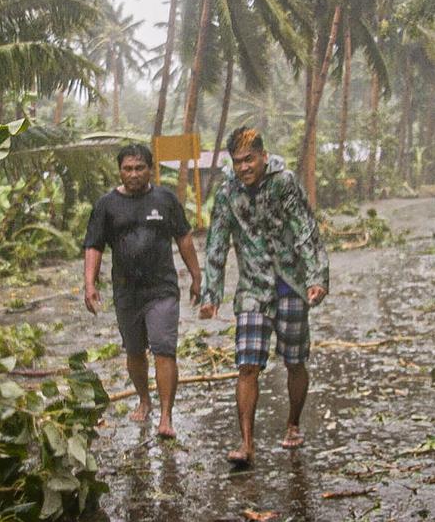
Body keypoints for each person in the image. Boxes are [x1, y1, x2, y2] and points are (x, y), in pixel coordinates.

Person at [199, 127, 329, 466]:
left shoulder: (283, 182)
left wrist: (317, 277)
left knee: (294, 361)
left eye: (249, 159)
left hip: (290, 284)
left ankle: (293, 423)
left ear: (263, 156)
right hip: (253, 289)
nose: (244, 167)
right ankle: (246, 443)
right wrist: (210, 293)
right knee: (247, 365)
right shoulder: (228, 193)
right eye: (238, 162)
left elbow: (305, 229)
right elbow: (216, 241)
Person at [83, 144, 202, 439]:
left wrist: (197, 276)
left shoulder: (165, 199)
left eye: (139, 168)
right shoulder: (106, 205)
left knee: (164, 348)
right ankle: (144, 399)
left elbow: (184, 238)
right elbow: (94, 245)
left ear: (150, 169)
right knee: (135, 352)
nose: (133, 174)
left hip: (162, 289)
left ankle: (165, 416)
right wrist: (89, 283)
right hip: (126, 291)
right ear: (120, 171)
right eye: (127, 169)